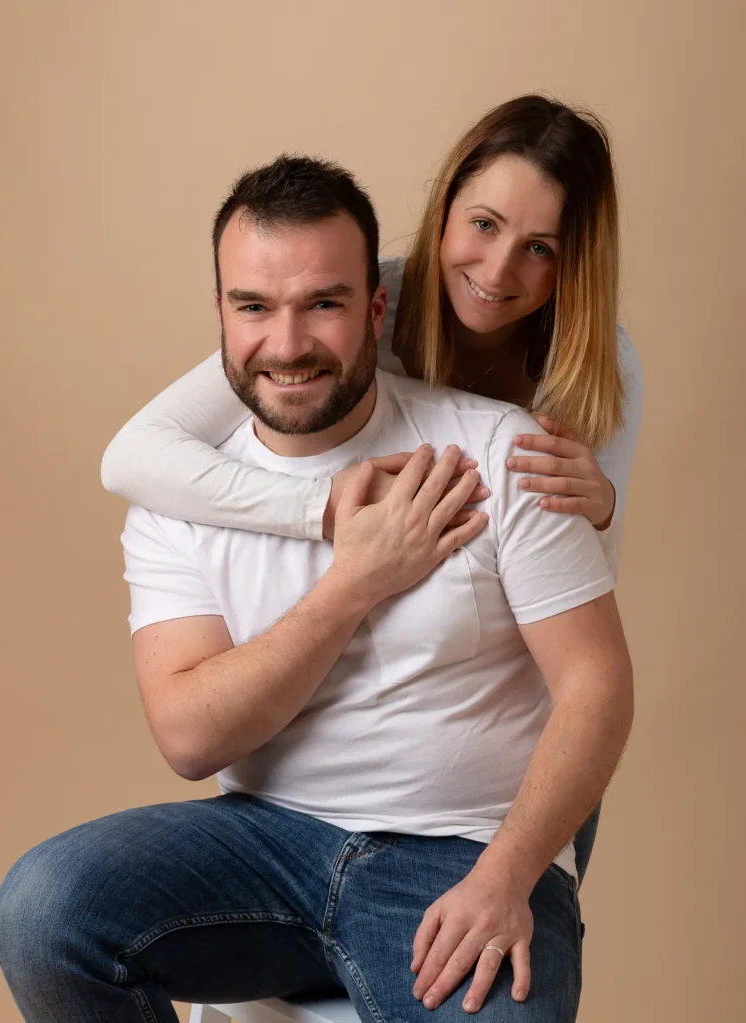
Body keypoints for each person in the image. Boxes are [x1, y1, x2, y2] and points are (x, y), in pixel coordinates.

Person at [0, 155, 633, 1023]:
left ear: (377, 308)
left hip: (463, 852)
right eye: (255, 306)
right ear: (220, 313)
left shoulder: (500, 451)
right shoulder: (179, 496)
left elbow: (597, 683)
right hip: (265, 840)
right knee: (41, 912)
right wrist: (355, 580)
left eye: (324, 304)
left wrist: (508, 874)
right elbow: (190, 737)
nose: (288, 344)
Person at [100, 96, 643, 881]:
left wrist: (606, 505)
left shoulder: (597, 363)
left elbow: (584, 604)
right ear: (444, 210)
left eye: (539, 248)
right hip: (315, 769)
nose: (497, 271)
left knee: (532, 875)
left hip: (505, 758)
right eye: (483, 225)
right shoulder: (352, 305)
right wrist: (324, 511)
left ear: (576, 263)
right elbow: (134, 455)